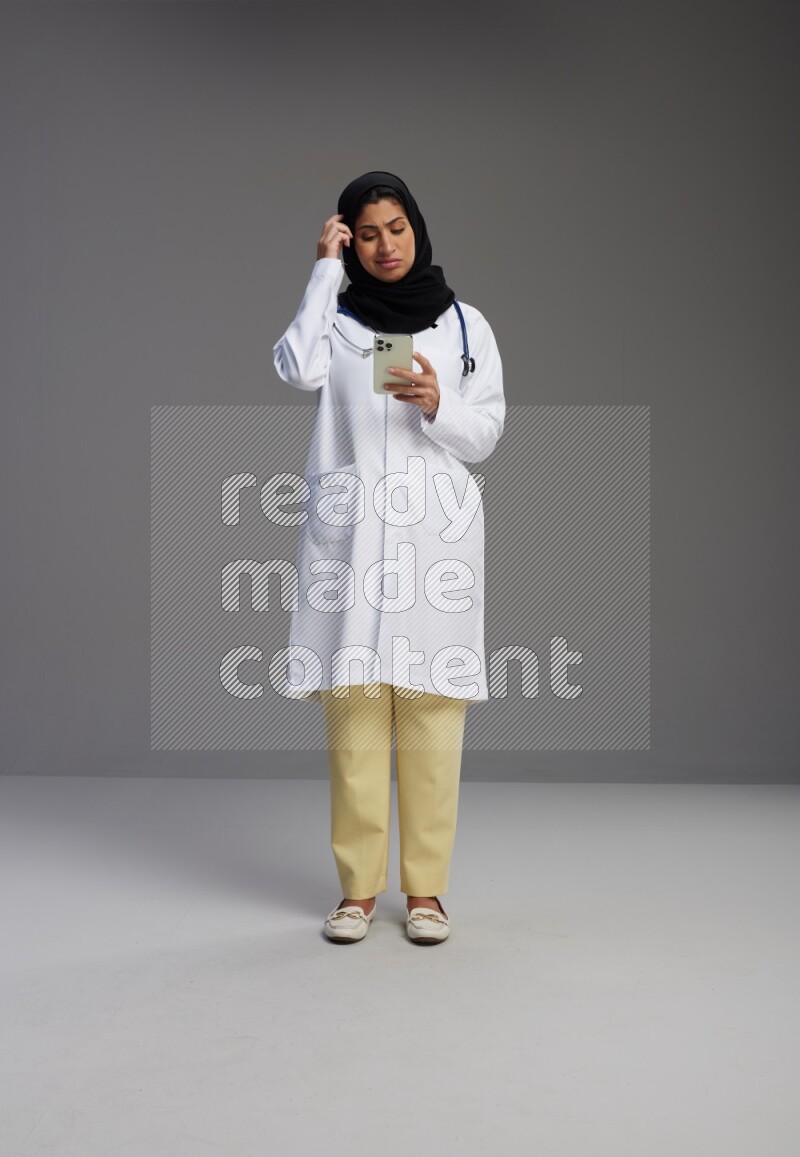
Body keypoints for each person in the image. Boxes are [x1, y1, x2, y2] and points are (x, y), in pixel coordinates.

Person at [272, 171, 505, 944]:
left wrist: (440, 406)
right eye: (366, 234)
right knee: (356, 718)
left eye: (395, 228)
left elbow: (487, 432)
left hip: (434, 543)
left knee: (433, 716)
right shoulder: (335, 321)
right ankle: (358, 893)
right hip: (353, 544)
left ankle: (427, 893)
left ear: (417, 228)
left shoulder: (465, 325)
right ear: (350, 240)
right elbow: (294, 367)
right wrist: (322, 272)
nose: (384, 246)